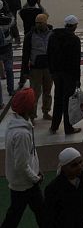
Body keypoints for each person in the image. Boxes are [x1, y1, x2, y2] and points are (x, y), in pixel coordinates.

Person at [1, 89, 43, 228]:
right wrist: (35, 178)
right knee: (39, 213)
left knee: (17, 214)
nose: (35, 103)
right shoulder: (22, 134)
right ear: (28, 108)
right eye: (33, 102)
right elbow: (21, 164)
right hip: (26, 183)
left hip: (21, 182)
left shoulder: (15, 126)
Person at [47, 15, 82, 135]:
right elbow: (76, 62)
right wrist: (78, 79)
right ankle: (68, 127)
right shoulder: (74, 40)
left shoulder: (53, 37)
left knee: (58, 98)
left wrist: (51, 71)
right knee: (68, 101)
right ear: (74, 26)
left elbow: (49, 55)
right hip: (69, 74)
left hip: (56, 73)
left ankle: (54, 126)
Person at [43, 147, 83, 228]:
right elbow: (49, 218)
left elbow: (80, 205)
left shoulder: (81, 176)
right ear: (64, 168)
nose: (79, 167)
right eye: (74, 165)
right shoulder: (52, 189)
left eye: (80, 162)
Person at [20, 13, 53, 119]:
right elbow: (25, 54)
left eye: (41, 23)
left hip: (48, 67)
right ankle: (32, 114)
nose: (38, 25)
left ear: (45, 23)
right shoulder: (30, 36)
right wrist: (24, 71)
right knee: (34, 93)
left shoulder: (52, 34)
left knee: (47, 91)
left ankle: (46, 111)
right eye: (37, 23)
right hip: (35, 69)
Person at [0, 3, 16, 103]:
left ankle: (0, 101)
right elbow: (13, 21)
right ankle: (11, 90)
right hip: (7, 48)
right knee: (9, 69)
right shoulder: (7, 19)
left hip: (5, 48)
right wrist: (9, 11)